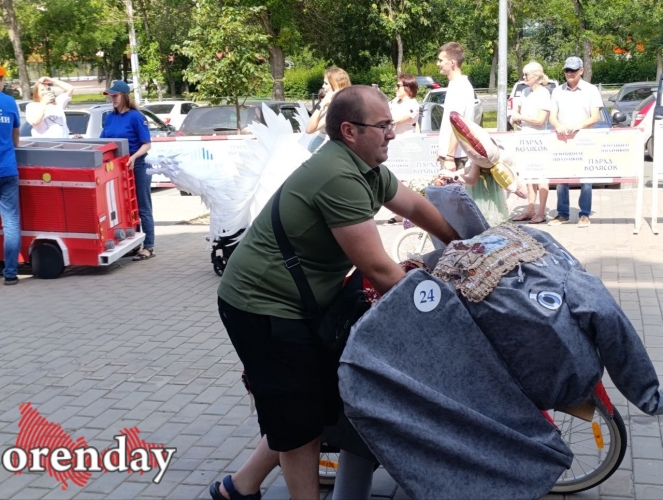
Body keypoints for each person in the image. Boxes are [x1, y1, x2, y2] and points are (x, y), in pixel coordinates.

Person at [211, 85, 458, 500]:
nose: (392, 132)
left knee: (307, 402)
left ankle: (240, 487)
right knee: (300, 424)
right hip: (263, 305)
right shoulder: (339, 176)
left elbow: (414, 206)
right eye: (383, 125)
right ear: (349, 130)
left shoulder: (366, 168)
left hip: (301, 301)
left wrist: (461, 244)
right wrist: (443, 310)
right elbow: (379, 269)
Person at [100, 80, 155, 260]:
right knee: (126, 208)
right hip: (118, 169)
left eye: (115, 96)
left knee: (142, 206)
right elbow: (102, 141)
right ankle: (134, 242)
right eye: (110, 96)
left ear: (124, 96)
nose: (112, 99)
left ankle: (149, 246)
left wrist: (134, 157)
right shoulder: (110, 117)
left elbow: (146, 144)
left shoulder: (136, 117)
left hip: (137, 166)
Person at [548, 56, 602, 228]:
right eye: (567, 70)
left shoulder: (591, 90)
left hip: (584, 141)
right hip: (563, 141)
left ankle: (584, 214)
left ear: (581, 71)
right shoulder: (557, 91)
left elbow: (595, 117)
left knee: (586, 179)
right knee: (561, 179)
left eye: (573, 70)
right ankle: (562, 213)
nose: (569, 73)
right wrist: (558, 125)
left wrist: (578, 126)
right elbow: (552, 117)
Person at [510, 61, 551, 225]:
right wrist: (514, 117)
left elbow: (540, 120)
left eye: (526, 74)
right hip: (525, 139)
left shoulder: (544, 94)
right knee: (528, 176)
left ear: (536, 75)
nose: (524, 77)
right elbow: (516, 110)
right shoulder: (524, 92)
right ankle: (530, 208)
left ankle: (541, 212)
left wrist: (520, 117)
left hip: (539, 141)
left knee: (541, 176)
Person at [436, 42, 476, 171]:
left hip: (456, 157)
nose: (438, 64)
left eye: (441, 60)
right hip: (453, 154)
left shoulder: (460, 86)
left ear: (452, 63)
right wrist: (442, 149)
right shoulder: (456, 84)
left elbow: (457, 125)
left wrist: (449, 156)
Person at [0, 66, 21, 285]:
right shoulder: (9, 102)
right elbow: (16, 134)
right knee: (11, 223)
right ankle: (10, 273)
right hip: (7, 169)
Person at [305, 67, 351, 152]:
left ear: (335, 85)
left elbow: (309, 129)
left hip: (326, 151)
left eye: (326, 83)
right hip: (322, 151)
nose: (323, 86)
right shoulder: (332, 104)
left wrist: (321, 104)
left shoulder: (337, 107)